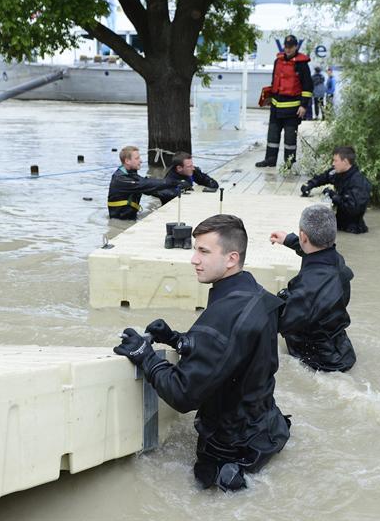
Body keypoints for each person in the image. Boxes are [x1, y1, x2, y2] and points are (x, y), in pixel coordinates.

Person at [113, 214, 290, 491]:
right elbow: (234, 356)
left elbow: (182, 395)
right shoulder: (258, 296)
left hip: (229, 452)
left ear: (231, 258)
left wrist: (145, 355)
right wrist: (178, 340)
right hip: (267, 430)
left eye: (204, 251)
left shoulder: (221, 317)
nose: (194, 259)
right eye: (195, 249)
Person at [270, 205, 357, 372]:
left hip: (319, 363)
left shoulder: (307, 290)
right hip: (342, 350)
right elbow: (317, 253)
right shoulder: (337, 261)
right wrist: (289, 239)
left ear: (304, 236)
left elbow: (278, 323)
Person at [256, 34, 313, 168]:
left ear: (296, 46)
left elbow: (308, 86)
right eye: (286, 46)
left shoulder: (302, 64)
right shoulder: (278, 61)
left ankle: (289, 163)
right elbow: (275, 80)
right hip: (276, 106)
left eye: (291, 47)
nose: (288, 49)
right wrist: (269, 97)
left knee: (289, 139)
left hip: (292, 109)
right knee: (272, 136)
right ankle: (270, 160)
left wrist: (303, 106)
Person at [301, 146, 371, 234]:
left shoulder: (359, 183)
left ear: (345, 162)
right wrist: (309, 185)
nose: (333, 164)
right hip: (339, 224)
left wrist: (334, 196)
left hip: (353, 230)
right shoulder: (337, 173)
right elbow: (324, 177)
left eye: (335, 161)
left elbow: (353, 209)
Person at [107, 145, 185, 220]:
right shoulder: (121, 179)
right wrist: (173, 182)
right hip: (121, 221)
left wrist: (176, 192)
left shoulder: (131, 174)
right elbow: (146, 185)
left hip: (130, 217)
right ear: (127, 161)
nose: (141, 161)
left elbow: (150, 190)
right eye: (137, 158)